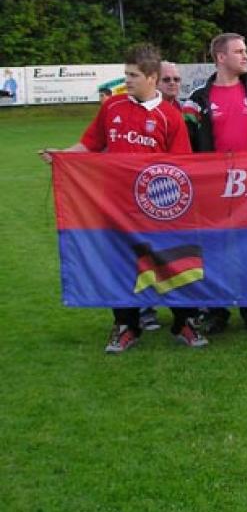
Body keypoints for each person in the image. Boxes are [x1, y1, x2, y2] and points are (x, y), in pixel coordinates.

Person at [39, 43, 207, 353]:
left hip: (158, 209)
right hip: (115, 206)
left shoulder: (170, 116)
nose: (126, 80)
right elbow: (89, 145)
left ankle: (183, 321)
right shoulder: (112, 107)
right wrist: (61, 156)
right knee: (120, 266)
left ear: (152, 77)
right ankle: (127, 326)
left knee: (170, 263)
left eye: (132, 75)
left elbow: (181, 167)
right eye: (125, 74)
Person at [183, 32, 247, 334]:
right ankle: (216, 310)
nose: (246, 57)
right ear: (221, 57)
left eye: (246, 51)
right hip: (214, 190)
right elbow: (185, 145)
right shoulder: (197, 100)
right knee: (215, 250)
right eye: (240, 52)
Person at [138, 60, 185, 332]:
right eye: (168, 79)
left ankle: (185, 309)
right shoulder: (142, 111)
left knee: (177, 250)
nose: (173, 84)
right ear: (155, 80)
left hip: (178, 193)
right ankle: (146, 309)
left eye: (177, 80)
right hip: (147, 193)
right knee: (145, 250)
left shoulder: (187, 111)